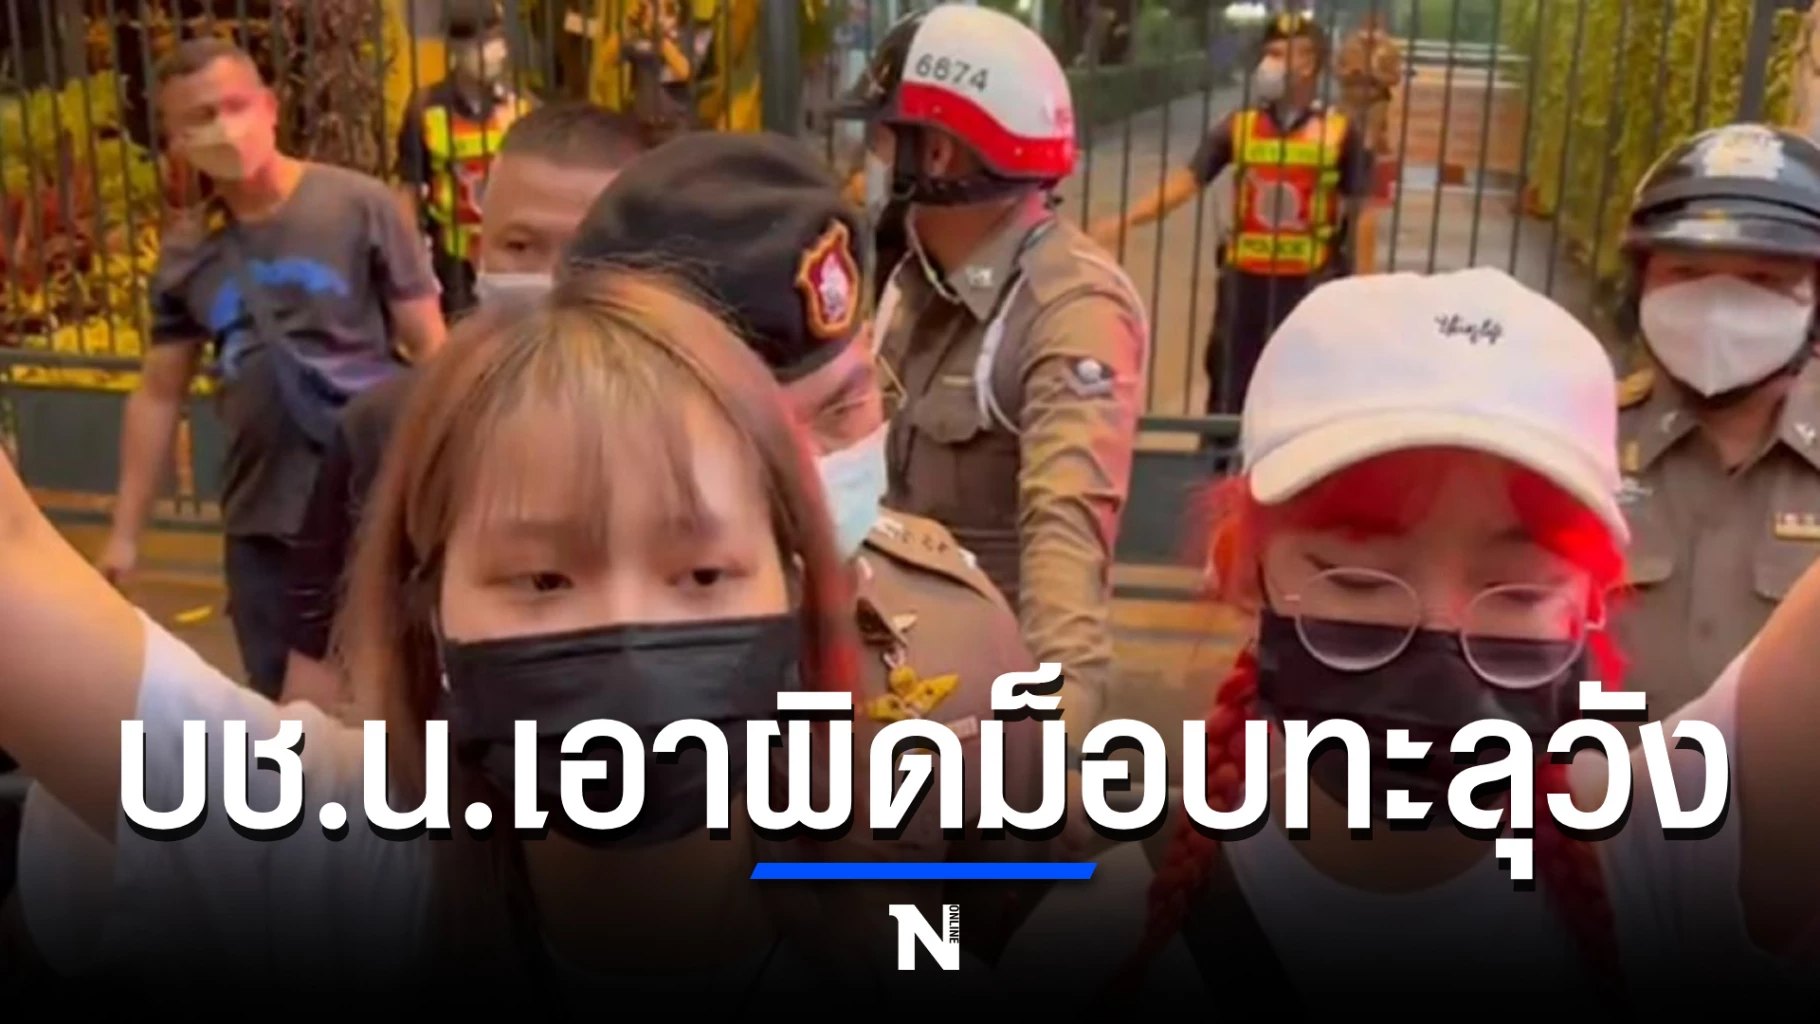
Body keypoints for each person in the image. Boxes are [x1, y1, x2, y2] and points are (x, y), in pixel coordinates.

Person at [0, 270, 963, 1000]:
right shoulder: (332, 859)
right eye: (542, 578)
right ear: (432, 615)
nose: (627, 634)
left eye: (702, 574)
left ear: (796, 594)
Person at [995, 267, 1820, 1006]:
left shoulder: (1664, 850)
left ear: (1592, 604)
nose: (1439, 639)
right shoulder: (1097, 933)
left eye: (1519, 592)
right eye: (1357, 579)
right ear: (1243, 572)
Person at [562, 129, 1049, 962]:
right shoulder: (527, 660)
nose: (811, 474)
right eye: (748, 438)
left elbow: (1004, 923)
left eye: (842, 409)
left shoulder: (954, 628)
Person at [830, 3, 1150, 738]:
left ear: (937, 154)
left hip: (985, 702)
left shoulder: (1069, 310)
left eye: (883, 138)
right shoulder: (912, 279)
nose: (866, 161)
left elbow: (1065, 537)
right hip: (887, 671)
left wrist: (1045, 743)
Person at [99, 37, 445, 700]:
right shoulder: (188, 251)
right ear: (175, 140)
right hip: (261, 515)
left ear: (270, 107)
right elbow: (159, 393)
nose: (224, 127)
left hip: (372, 502)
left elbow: (432, 349)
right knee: (279, 703)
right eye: (199, 117)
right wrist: (125, 535)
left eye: (234, 105)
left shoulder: (358, 206)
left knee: (397, 693)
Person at [281, 101, 652, 710]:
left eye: (587, 251)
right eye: (520, 245)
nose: (551, 276)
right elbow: (316, 683)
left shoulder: (696, 437)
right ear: (481, 250)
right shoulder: (388, 429)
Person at [1611, 123, 1820, 745]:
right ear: (1641, 285)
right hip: (1595, 796)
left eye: (1762, 280)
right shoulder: (1581, 444)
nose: (1720, 311)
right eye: (1688, 272)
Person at [1088, 11, 1371, 415]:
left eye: (1280, 55)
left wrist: (1364, 288)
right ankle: (1220, 451)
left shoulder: (1340, 133)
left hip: (1308, 284)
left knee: (1304, 388)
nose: (1268, 64)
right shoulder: (1240, 126)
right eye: (1268, 53)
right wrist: (1127, 220)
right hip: (1245, 282)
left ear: (1309, 63)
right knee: (1229, 384)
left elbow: (1363, 214)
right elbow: (1187, 181)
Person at [395, 0, 533, 317]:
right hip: (452, 261)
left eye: (499, 41)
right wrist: (409, 260)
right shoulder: (426, 108)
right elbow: (409, 188)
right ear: (457, 49)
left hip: (508, 255)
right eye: (484, 44)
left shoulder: (518, 107)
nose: (497, 53)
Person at [1334, 9, 1402, 157]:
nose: (1370, 31)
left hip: (1376, 101)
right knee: (1344, 138)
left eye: (1375, 27)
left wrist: (1375, 75)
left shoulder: (1389, 49)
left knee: (1370, 142)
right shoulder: (1348, 45)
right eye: (1367, 26)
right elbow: (1336, 70)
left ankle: (1368, 163)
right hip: (1349, 100)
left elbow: (1395, 78)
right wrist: (1349, 73)